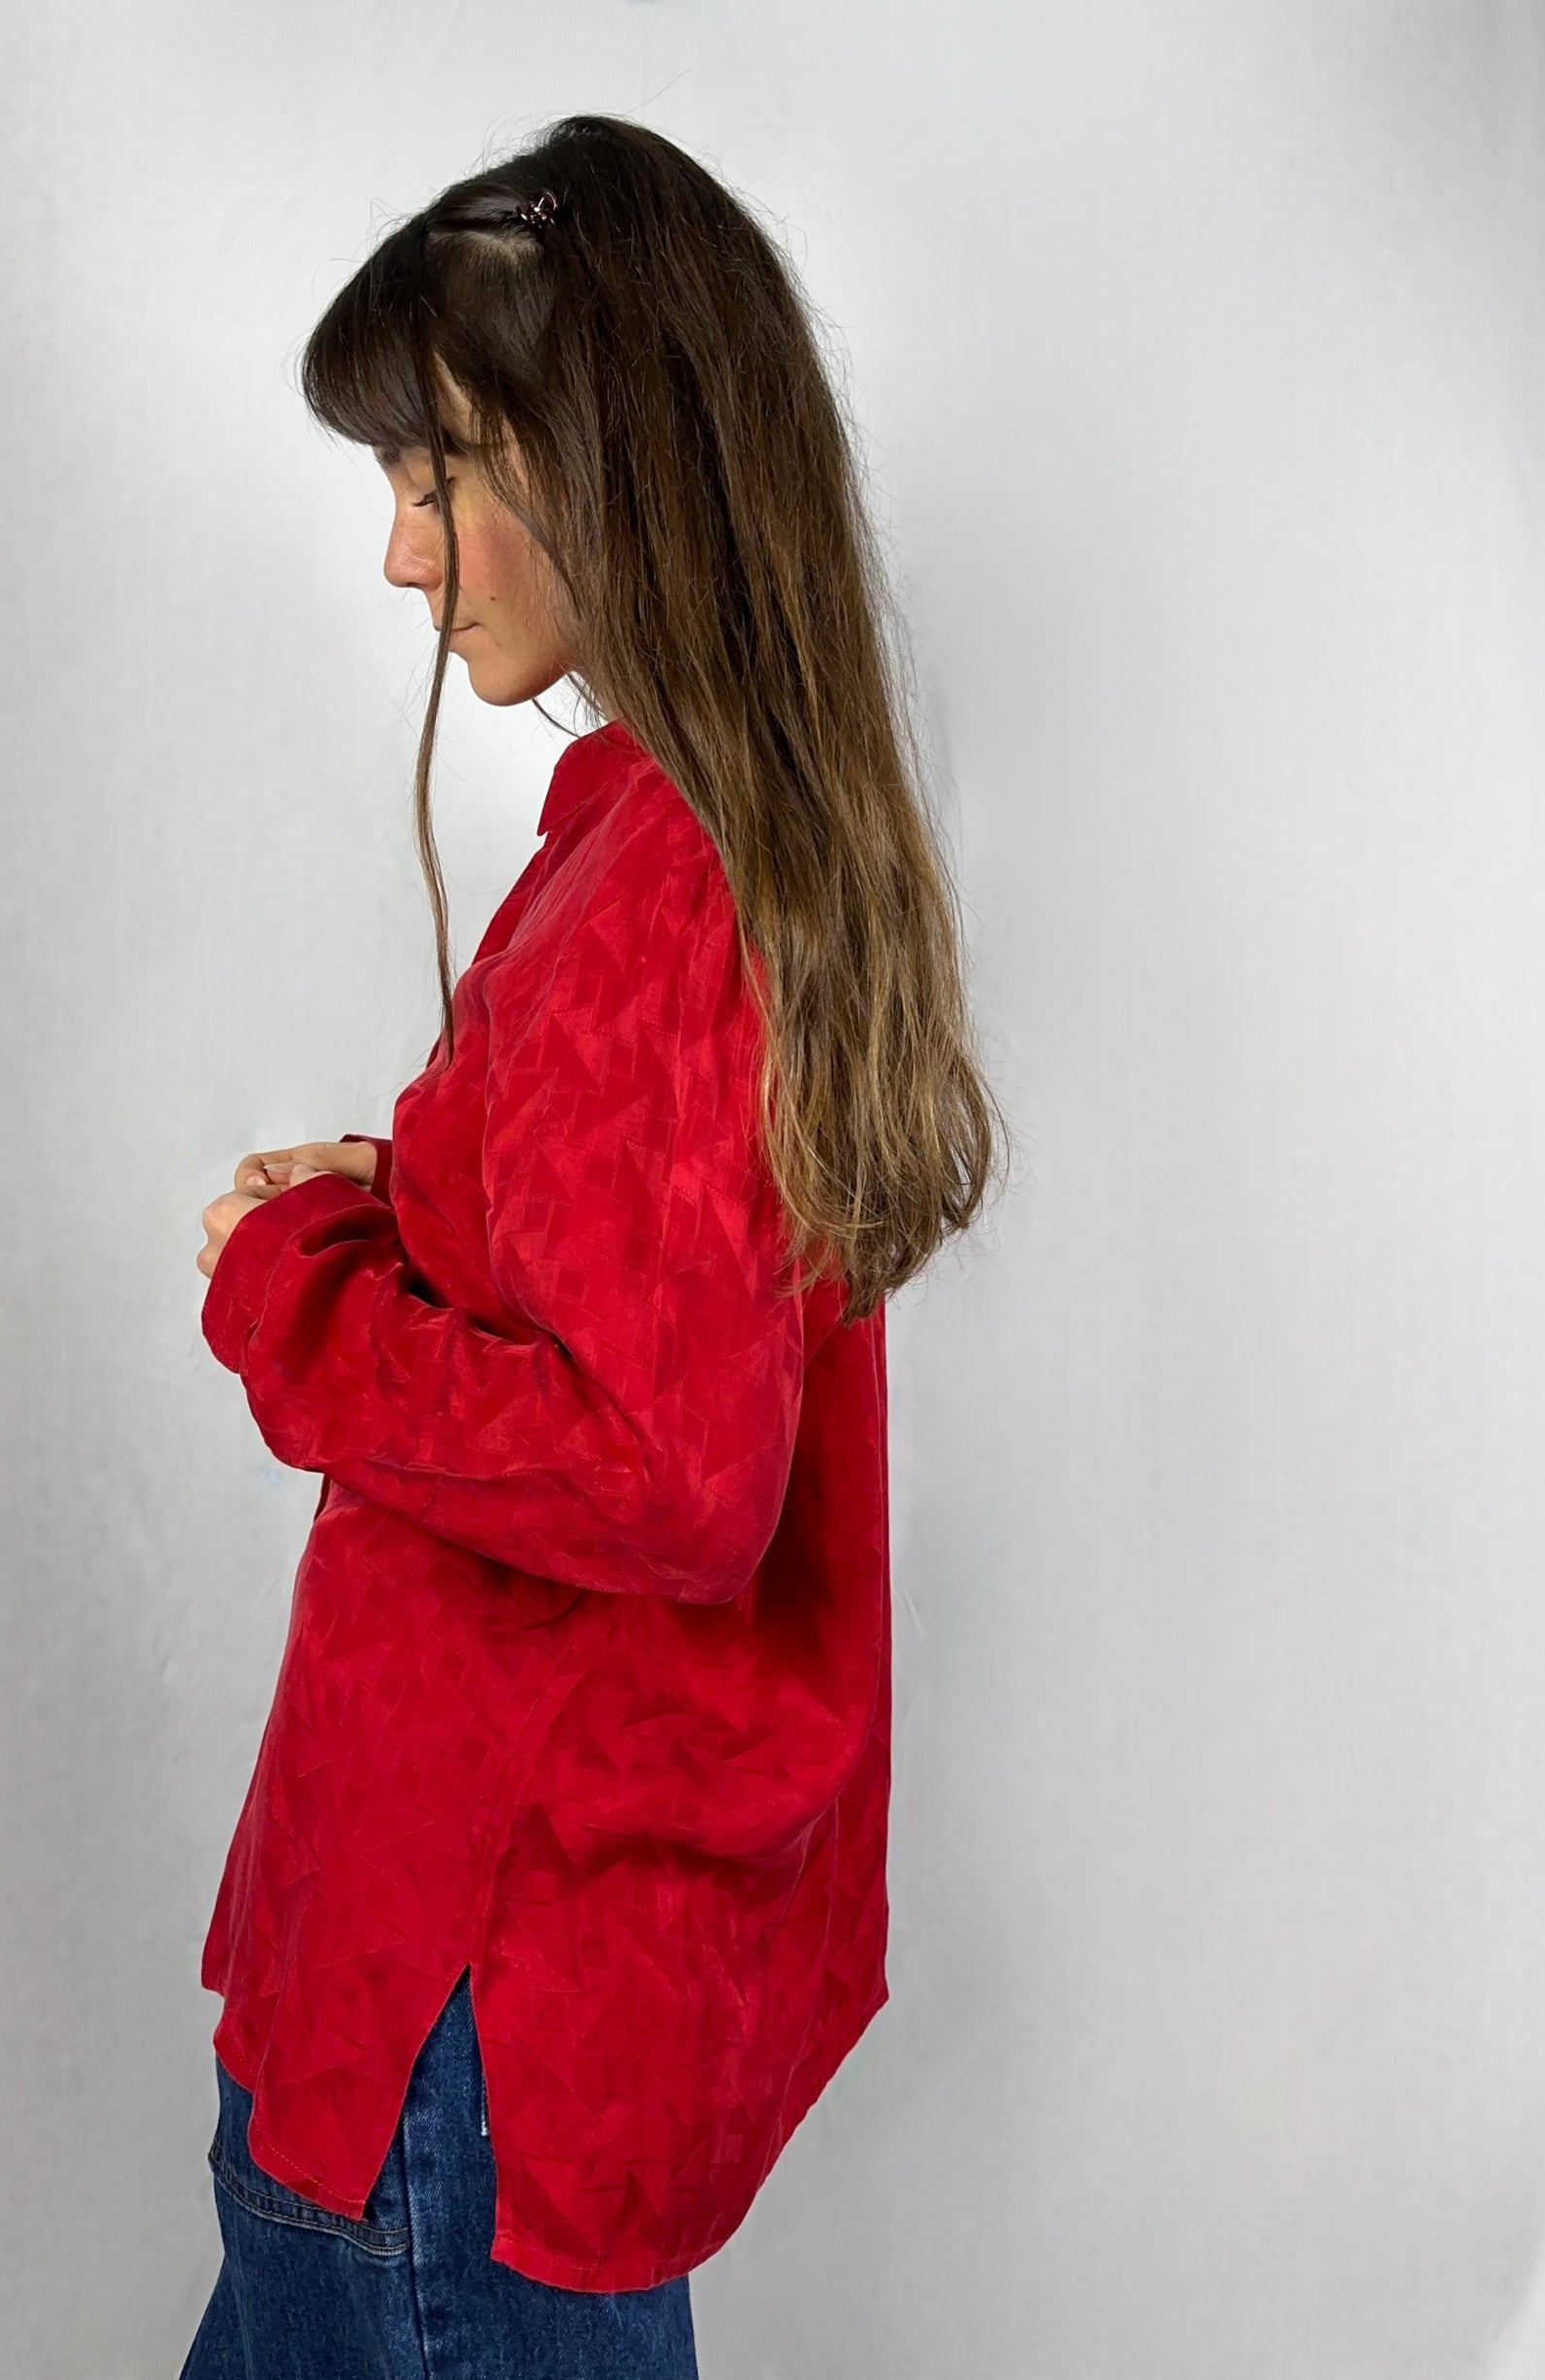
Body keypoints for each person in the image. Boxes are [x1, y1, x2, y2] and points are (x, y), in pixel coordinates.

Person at [180, 112, 1006, 2380]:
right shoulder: (694, 838)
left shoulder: (667, 896)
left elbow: (657, 1468)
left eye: (435, 471)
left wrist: (289, 1291)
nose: (397, 550)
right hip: (458, 1969)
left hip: (457, 1997)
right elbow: (620, 1284)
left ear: (610, 452)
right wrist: (389, 1198)